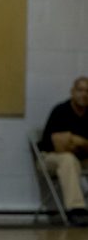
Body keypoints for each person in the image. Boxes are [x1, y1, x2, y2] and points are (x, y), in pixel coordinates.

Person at [38, 76, 88, 227]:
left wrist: (78, 141)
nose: (84, 94)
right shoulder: (60, 111)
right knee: (67, 159)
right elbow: (48, 142)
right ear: (72, 92)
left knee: (71, 159)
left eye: (87, 91)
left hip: (81, 159)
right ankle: (77, 209)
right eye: (80, 90)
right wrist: (69, 142)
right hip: (50, 158)